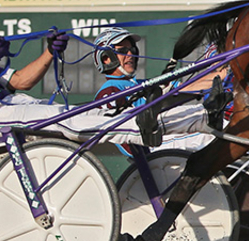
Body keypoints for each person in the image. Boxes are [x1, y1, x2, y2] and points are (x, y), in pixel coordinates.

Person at [0, 0, 209, 147]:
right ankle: (198, 122)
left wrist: (50, 52)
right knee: (81, 124)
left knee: (90, 117)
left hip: (15, 108)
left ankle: (198, 118)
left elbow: (21, 81)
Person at [92, 27, 222, 150]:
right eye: (123, 51)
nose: (130, 54)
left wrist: (224, 72)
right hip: (152, 143)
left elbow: (187, 88)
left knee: (210, 117)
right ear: (106, 59)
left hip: (168, 134)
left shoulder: (142, 84)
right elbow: (121, 134)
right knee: (214, 132)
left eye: (132, 49)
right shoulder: (109, 91)